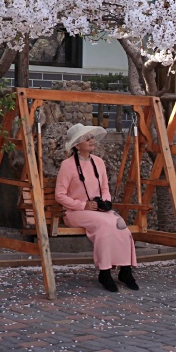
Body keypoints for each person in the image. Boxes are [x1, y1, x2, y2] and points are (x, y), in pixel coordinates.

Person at [54, 123, 139, 292]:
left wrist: (104, 202)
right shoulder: (67, 165)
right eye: (87, 138)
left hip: (98, 211)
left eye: (92, 137)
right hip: (75, 212)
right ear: (77, 145)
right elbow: (60, 195)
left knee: (121, 225)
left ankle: (126, 270)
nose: (92, 140)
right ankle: (105, 272)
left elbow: (105, 188)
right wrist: (83, 205)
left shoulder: (99, 162)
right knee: (105, 225)